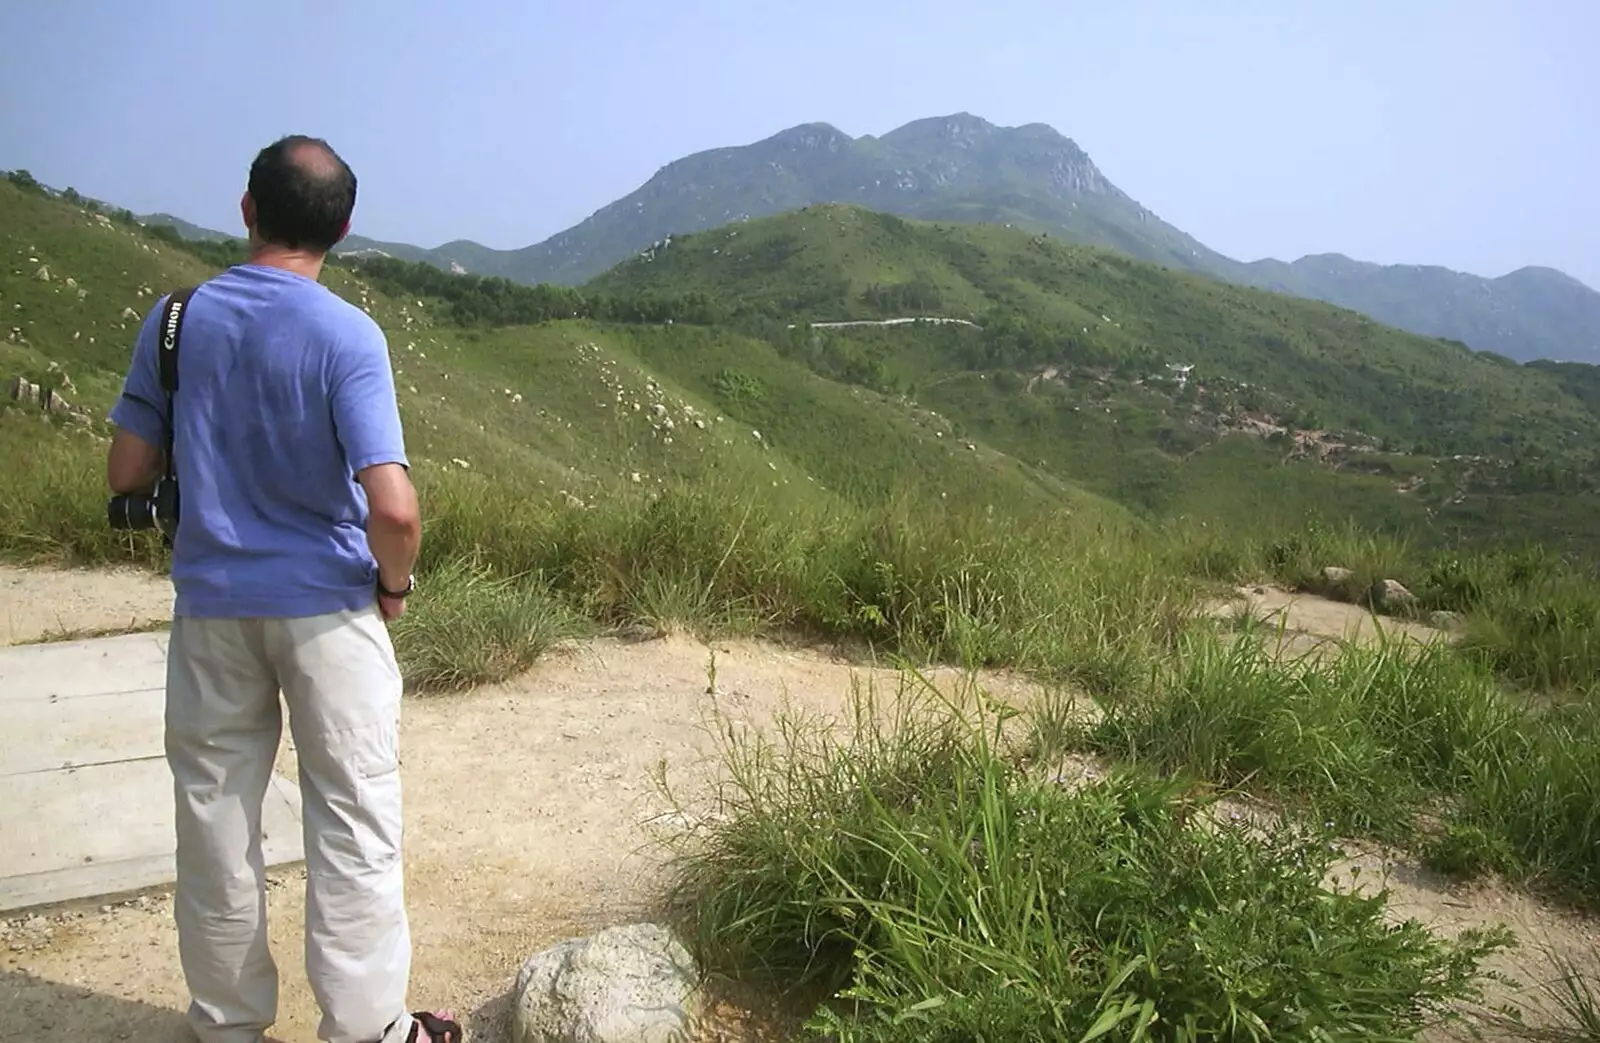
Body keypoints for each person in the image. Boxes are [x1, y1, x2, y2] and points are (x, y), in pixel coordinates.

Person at [106, 135, 459, 1043]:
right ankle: (371, 1030)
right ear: (342, 227)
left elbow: (126, 467)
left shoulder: (175, 319)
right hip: (330, 610)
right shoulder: (348, 334)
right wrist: (396, 586)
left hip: (212, 609)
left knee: (216, 825)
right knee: (353, 825)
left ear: (247, 208)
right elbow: (395, 507)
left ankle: (226, 1026)